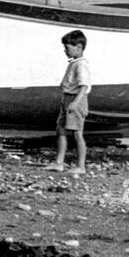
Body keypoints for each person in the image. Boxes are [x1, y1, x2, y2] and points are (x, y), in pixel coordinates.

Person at [47, 29, 90, 174]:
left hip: (75, 99)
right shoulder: (74, 63)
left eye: (67, 48)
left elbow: (84, 85)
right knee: (61, 130)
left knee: (77, 133)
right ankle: (59, 163)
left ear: (79, 47)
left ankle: (81, 166)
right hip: (67, 99)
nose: (65, 50)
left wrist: (76, 103)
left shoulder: (81, 64)